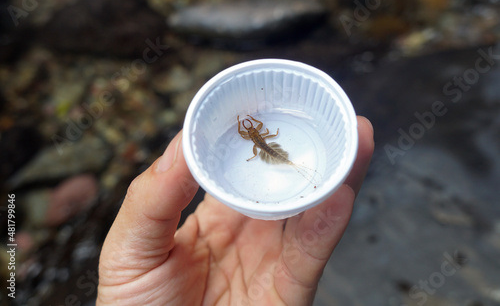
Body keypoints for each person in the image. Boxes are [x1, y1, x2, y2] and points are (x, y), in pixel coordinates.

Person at [97, 116, 374, 305]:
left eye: (251, 129)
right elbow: (261, 135)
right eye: (249, 129)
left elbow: (261, 137)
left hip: (268, 149)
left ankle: (298, 168)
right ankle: (298, 168)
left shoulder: (256, 138)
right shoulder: (256, 136)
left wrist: (253, 133)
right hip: (267, 148)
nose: (250, 130)